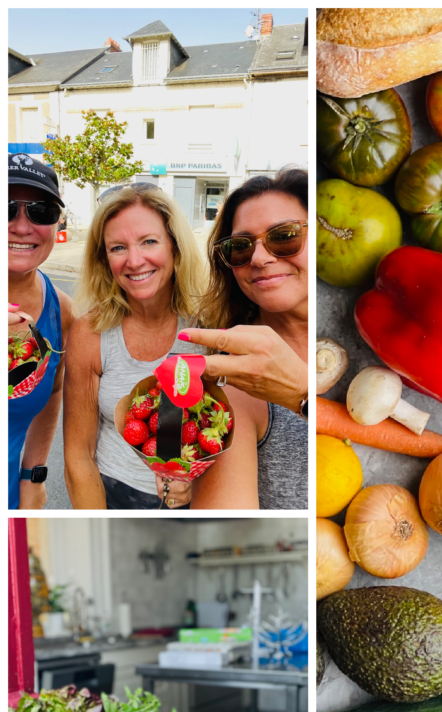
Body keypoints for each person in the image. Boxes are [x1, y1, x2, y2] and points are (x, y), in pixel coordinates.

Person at [63, 184, 226, 510]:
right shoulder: (91, 333)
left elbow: (223, 433)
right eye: (118, 247)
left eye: (149, 241)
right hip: (113, 494)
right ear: (104, 259)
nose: (134, 261)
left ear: (175, 249)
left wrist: (194, 491)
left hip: (198, 502)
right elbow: (77, 456)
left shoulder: (210, 329)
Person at [180, 167, 308, 510]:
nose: (260, 257)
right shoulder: (233, 382)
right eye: (240, 246)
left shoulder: (366, 324)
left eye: (284, 236)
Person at [8, 153, 75, 510]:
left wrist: (33, 474)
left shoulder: (61, 310)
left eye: (40, 211)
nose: (21, 226)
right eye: (7, 207)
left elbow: (55, 389)